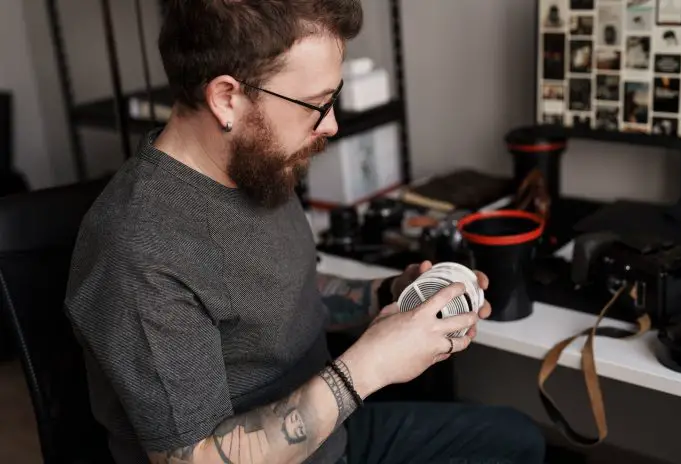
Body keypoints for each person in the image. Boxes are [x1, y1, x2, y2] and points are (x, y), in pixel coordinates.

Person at [64, 1, 546, 463]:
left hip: (332, 440)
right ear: (227, 98)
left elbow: (276, 298)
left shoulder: (258, 164)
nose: (331, 125)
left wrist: (388, 296)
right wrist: (372, 365)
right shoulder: (137, 249)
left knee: (519, 440)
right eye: (315, 104)